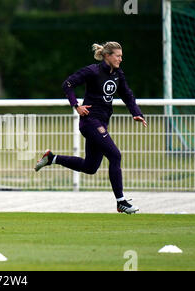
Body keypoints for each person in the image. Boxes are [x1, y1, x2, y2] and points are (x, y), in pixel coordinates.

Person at [34, 41, 147, 214]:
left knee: (90, 167)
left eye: (121, 56)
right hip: (90, 122)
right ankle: (121, 201)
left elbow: (127, 95)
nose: (120, 59)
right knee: (115, 155)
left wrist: (136, 113)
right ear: (107, 56)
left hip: (102, 123)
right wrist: (76, 105)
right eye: (118, 56)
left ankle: (52, 158)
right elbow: (68, 84)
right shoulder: (92, 71)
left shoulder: (118, 74)